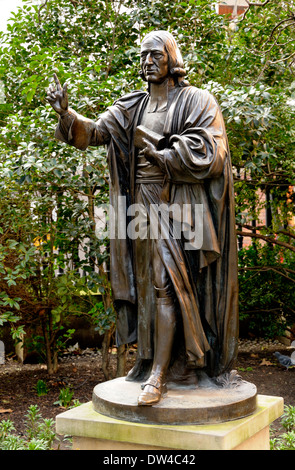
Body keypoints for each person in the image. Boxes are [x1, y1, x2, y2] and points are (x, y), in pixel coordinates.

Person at [47, 30, 239, 406]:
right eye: (143, 56)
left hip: (182, 207)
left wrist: (163, 152)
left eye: (155, 54)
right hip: (141, 206)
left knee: (166, 283)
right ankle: (170, 362)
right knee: (151, 290)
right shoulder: (131, 106)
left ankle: (159, 375)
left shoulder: (197, 100)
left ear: (171, 57)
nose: (148, 61)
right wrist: (66, 113)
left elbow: (213, 152)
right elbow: (93, 133)